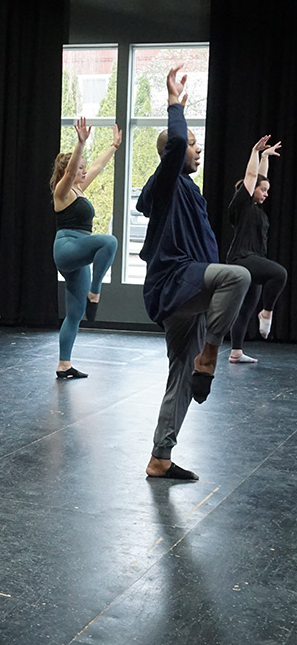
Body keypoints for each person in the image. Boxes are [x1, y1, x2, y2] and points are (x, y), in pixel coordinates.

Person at [137, 65, 250, 481]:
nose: (196, 150)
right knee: (238, 277)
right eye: (194, 146)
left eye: (198, 145)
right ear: (172, 153)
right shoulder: (165, 184)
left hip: (193, 293)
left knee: (179, 380)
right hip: (174, 285)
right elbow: (178, 137)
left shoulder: (191, 191)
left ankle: (159, 457)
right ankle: (212, 353)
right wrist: (174, 103)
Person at [50, 118, 121, 379]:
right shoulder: (63, 191)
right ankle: (95, 293)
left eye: (82, 168)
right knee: (109, 241)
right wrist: (80, 142)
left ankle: (64, 364)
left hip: (79, 254)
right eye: (78, 168)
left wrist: (113, 146)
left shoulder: (79, 189)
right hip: (68, 247)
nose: (82, 171)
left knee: (75, 314)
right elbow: (70, 174)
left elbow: (98, 166)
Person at [227, 136, 287, 363]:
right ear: (250, 190)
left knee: (245, 308)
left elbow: (261, 178)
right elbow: (252, 177)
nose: (266, 193)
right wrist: (254, 151)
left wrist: (264, 157)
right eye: (263, 190)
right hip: (242, 258)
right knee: (280, 273)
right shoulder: (241, 205)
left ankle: (236, 352)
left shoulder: (256, 209)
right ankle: (267, 312)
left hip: (255, 260)